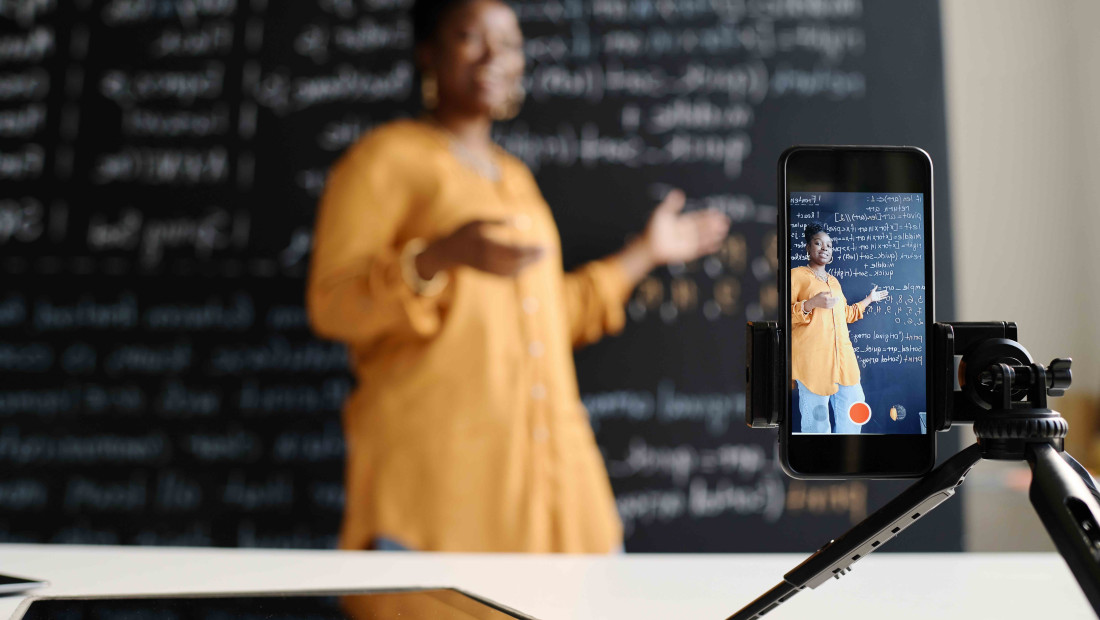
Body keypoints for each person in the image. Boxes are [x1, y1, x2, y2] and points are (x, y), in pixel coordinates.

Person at [306, 0, 730, 553]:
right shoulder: (382, 161)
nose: (493, 57)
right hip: (440, 501)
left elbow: (552, 316)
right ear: (428, 53)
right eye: (470, 37)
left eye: (507, 44)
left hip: (557, 494)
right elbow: (333, 304)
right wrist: (438, 256)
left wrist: (647, 253)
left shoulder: (515, 179)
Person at [790, 222, 887, 434]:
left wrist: (869, 300)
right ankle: (817, 462)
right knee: (816, 418)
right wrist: (811, 303)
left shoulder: (834, 282)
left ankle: (846, 456)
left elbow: (846, 315)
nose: (824, 248)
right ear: (808, 247)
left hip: (843, 359)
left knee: (854, 408)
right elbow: (785, 318)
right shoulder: (796, 276)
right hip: (813, 361)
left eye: (829, 245)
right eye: (818, 243)